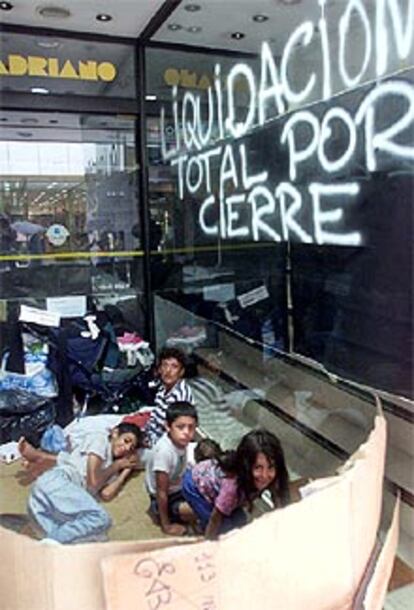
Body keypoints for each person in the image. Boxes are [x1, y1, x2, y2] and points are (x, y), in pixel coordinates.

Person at [26, 422, 143, 544]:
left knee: (98, 538)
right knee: (100, 518)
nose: (127, 448)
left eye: (131, 447)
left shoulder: (110, 469)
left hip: (59, 503)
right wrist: (116, 466)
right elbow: (92, 482)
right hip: (58, 482)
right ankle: (49, 543)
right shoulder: (100, 440)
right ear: (115, 433)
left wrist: (126, 470)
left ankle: (46, 546)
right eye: (126, 441)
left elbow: (106, 494)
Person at [182, 429, 290, 540]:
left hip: (218, 490)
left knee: (240, 520)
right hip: (194, 487)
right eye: (258, 467)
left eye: (271, 467)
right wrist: (209, 544)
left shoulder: (272, 477)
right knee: (225, 530)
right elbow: (215, 519)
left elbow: (279, 504)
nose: (265, 475)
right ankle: (186, 515)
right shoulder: (232, 486)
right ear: (246, 466)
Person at [145, 401, 197, 536]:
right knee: (199, 509)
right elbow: (161, 492)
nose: (186, 432)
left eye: (191, 427)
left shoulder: (181, 442)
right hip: (166, 496)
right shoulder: (164, 452)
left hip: (179, 485)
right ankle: (161, 514)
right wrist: (166, 526)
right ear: (168, 426)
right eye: (180, 427)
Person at [144, 347, 194, 448]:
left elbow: (176, 435)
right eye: (165, 365)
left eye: (174, 367)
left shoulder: (180, 396)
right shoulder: (164, 387)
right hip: (149, 435)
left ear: (181, 372)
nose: (168, 370)